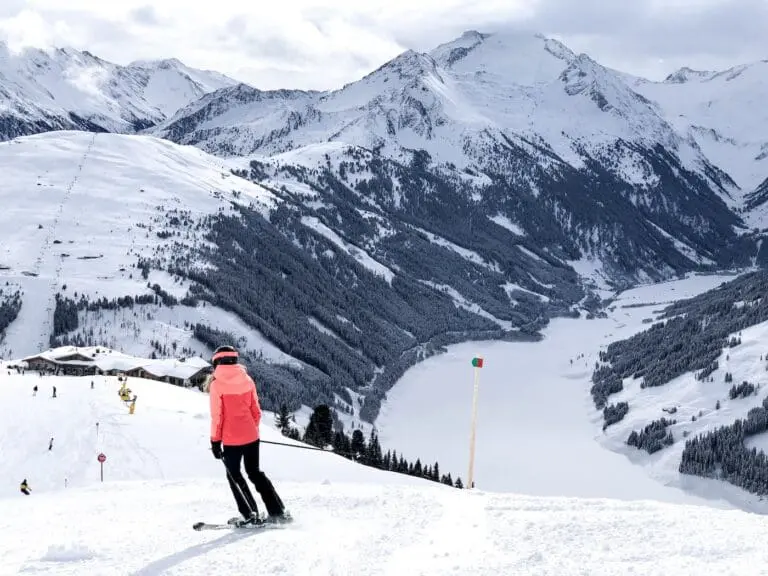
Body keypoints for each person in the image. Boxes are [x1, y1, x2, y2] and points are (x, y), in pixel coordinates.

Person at [208, 345, 288, 526]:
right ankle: (277, 511)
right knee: (255, 472)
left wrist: (215, 441)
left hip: (230, 440)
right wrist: (250, 429)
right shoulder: (247, 380)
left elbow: (217, 417)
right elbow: (256, 411)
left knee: (234, 474)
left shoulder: (216, 385)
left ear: (217, 362)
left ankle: (250, 513)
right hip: (252, 437)